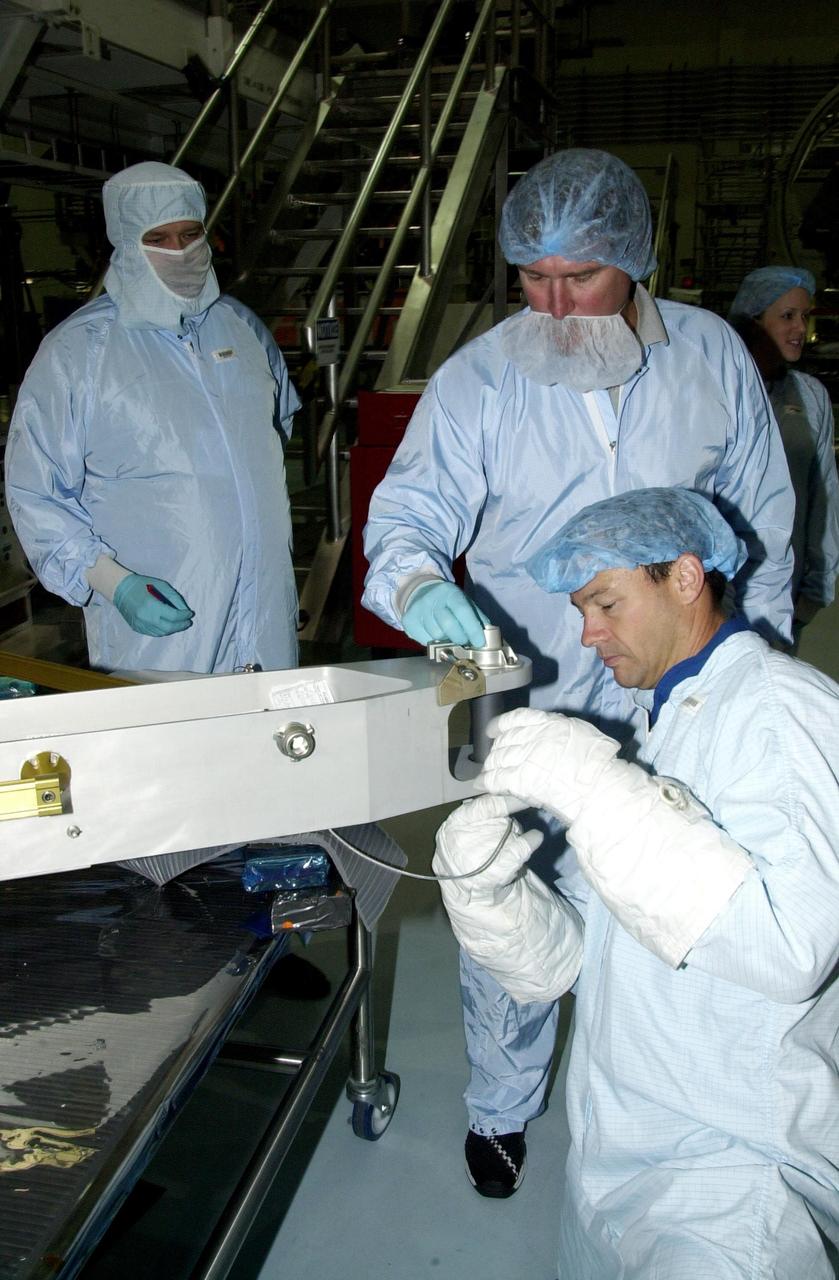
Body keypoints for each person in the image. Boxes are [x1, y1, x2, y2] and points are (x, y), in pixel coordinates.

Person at [362, 146, 796, 1196]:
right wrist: (430, 600)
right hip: (515, 673)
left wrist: (755, 664)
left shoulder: (706, 358)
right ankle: (501, 1105)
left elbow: (764, 520)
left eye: (579, 276)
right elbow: (406, 520)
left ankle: (659, 1092)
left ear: (636, 260)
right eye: (532, 275)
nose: (552, 301)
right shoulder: (482, 375)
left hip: (677, 678)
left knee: (670, 876)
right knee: (502, 888)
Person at [433, 487, 839, 1279]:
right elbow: (601, 957)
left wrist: (595, 791)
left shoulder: (782, 716)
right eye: (583, 610)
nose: (587, 636)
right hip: (616, 1155)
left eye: (605, 604)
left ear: (684, 578)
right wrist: (494, 901)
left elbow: (791, 949)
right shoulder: (662, 725)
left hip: (731, 1179)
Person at [5, 161, 301, 675]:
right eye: (158, 238)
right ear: (125, 244)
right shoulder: (80, 353)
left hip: (267, 615)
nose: (181, 251)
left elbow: (274, 433)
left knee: (271, 743)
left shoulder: (242, 330)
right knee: (168, 749)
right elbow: (36, 493)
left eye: (191, 234)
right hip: (160, 622)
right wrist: (112, 582)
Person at [729, 265, 839, 647]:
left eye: (804, 316)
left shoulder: (809, 396)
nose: (800, 329)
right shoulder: (724, 387)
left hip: (785, 583)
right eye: (787, 316)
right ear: (755, 321)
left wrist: (818, 583)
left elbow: (823, 494)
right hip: (722, 582)